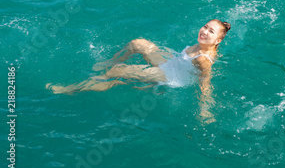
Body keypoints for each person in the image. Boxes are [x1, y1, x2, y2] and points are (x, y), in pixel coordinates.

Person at [46, 19, 231, 120]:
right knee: (137, 43)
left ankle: (72, 89)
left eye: (211, 32)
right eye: (205, 26)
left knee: (117, 72)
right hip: (174, 61)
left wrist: (204, 107)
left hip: (171, 76)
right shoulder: (203, 44)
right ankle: (108, 62)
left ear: (218, 41)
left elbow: (205, 81)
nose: (205, 31)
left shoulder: (202, 59)